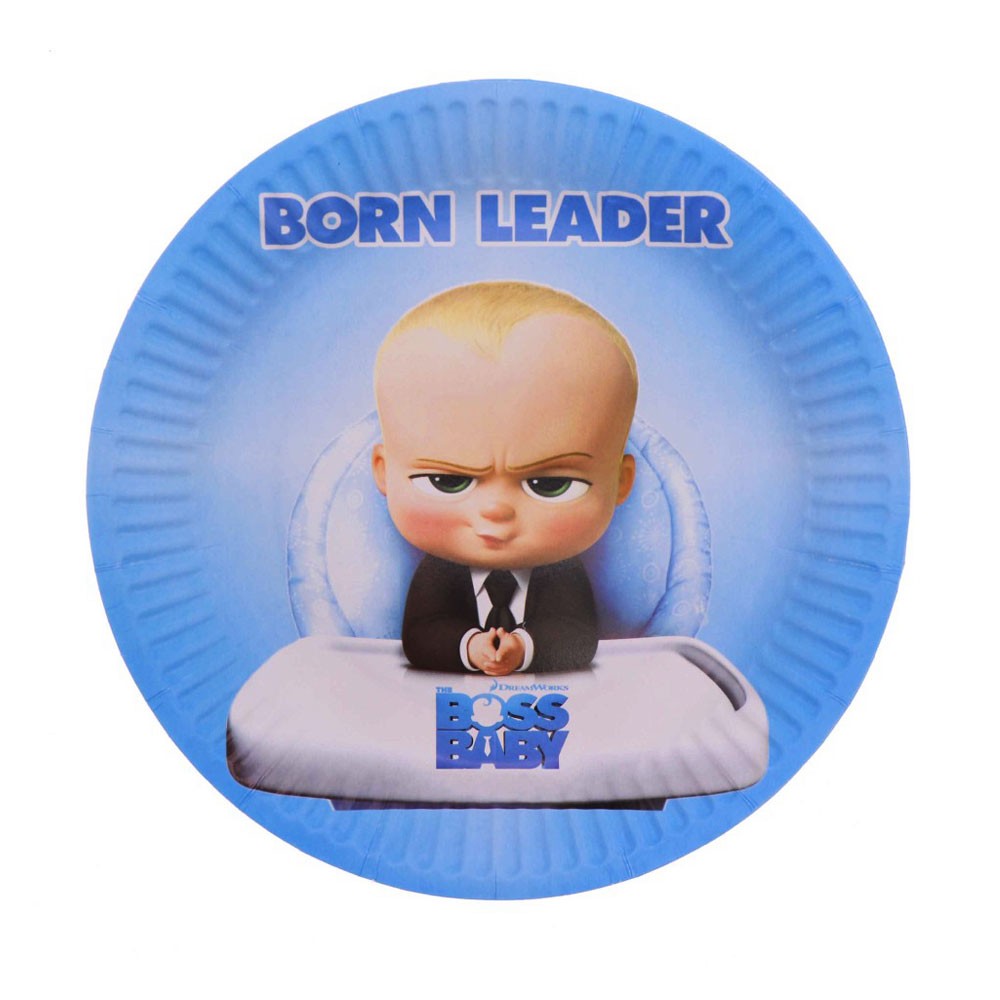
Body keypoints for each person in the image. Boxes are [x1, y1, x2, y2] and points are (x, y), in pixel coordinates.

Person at [371, 281, 638, 675]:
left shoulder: (562, 573)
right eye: (447, 481)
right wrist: (468, 647)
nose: (496, 510)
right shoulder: (439, 573)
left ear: (620, 482)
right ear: (384, 473)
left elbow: (576, 636)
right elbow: (422, 635)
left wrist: (525, 648)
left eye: (549, 484)